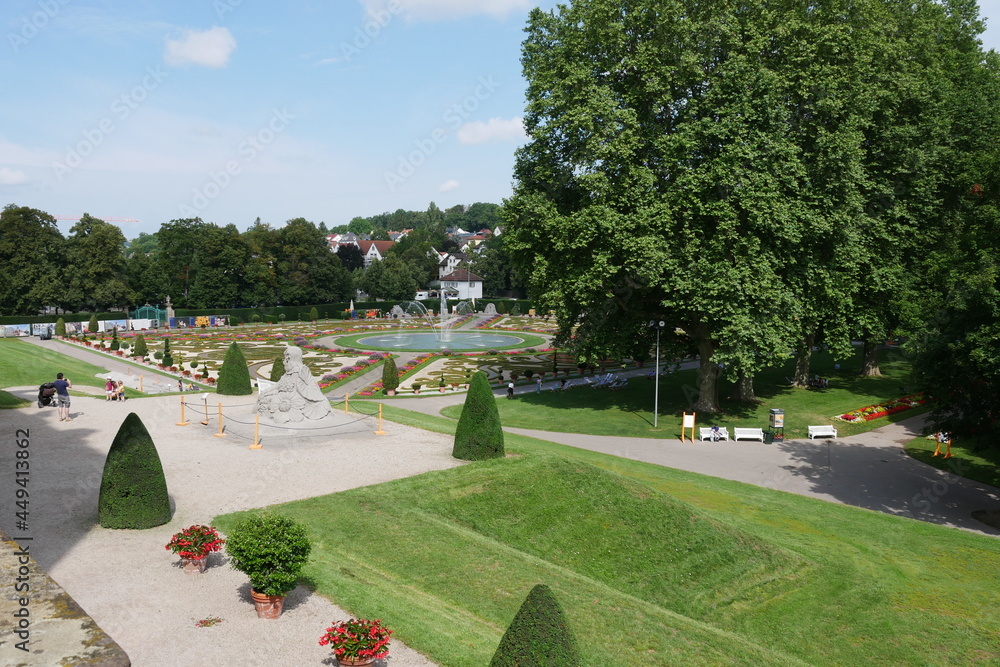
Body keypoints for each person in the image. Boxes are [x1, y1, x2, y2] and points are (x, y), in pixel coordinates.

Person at [255, 346, 333, 423]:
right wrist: (267, 390)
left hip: (291, 399)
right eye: (286, 356)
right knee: (265, 397)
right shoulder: (289, 370)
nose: (286, 358)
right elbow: (279, 384)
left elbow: (294, 389)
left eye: (288, 355)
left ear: (295, 356)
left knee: (270, 399)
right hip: (285, 395)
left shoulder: (298, 370)